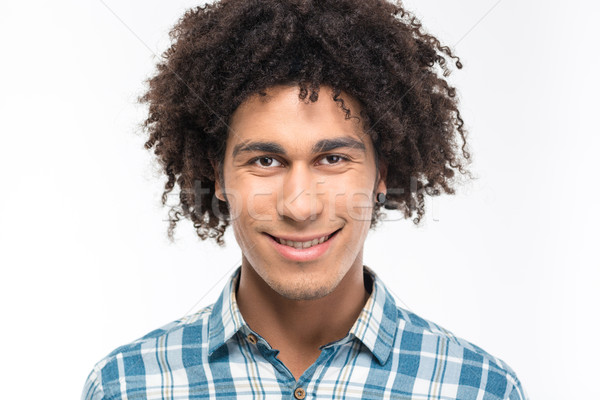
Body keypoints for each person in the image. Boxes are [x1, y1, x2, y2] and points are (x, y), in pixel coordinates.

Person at [82, 0, 529, 398]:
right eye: (264, 161)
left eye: (332, 158)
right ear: (215, 176)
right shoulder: (127, 385)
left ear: (382, 173)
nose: (300, 206)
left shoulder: (478, 389)